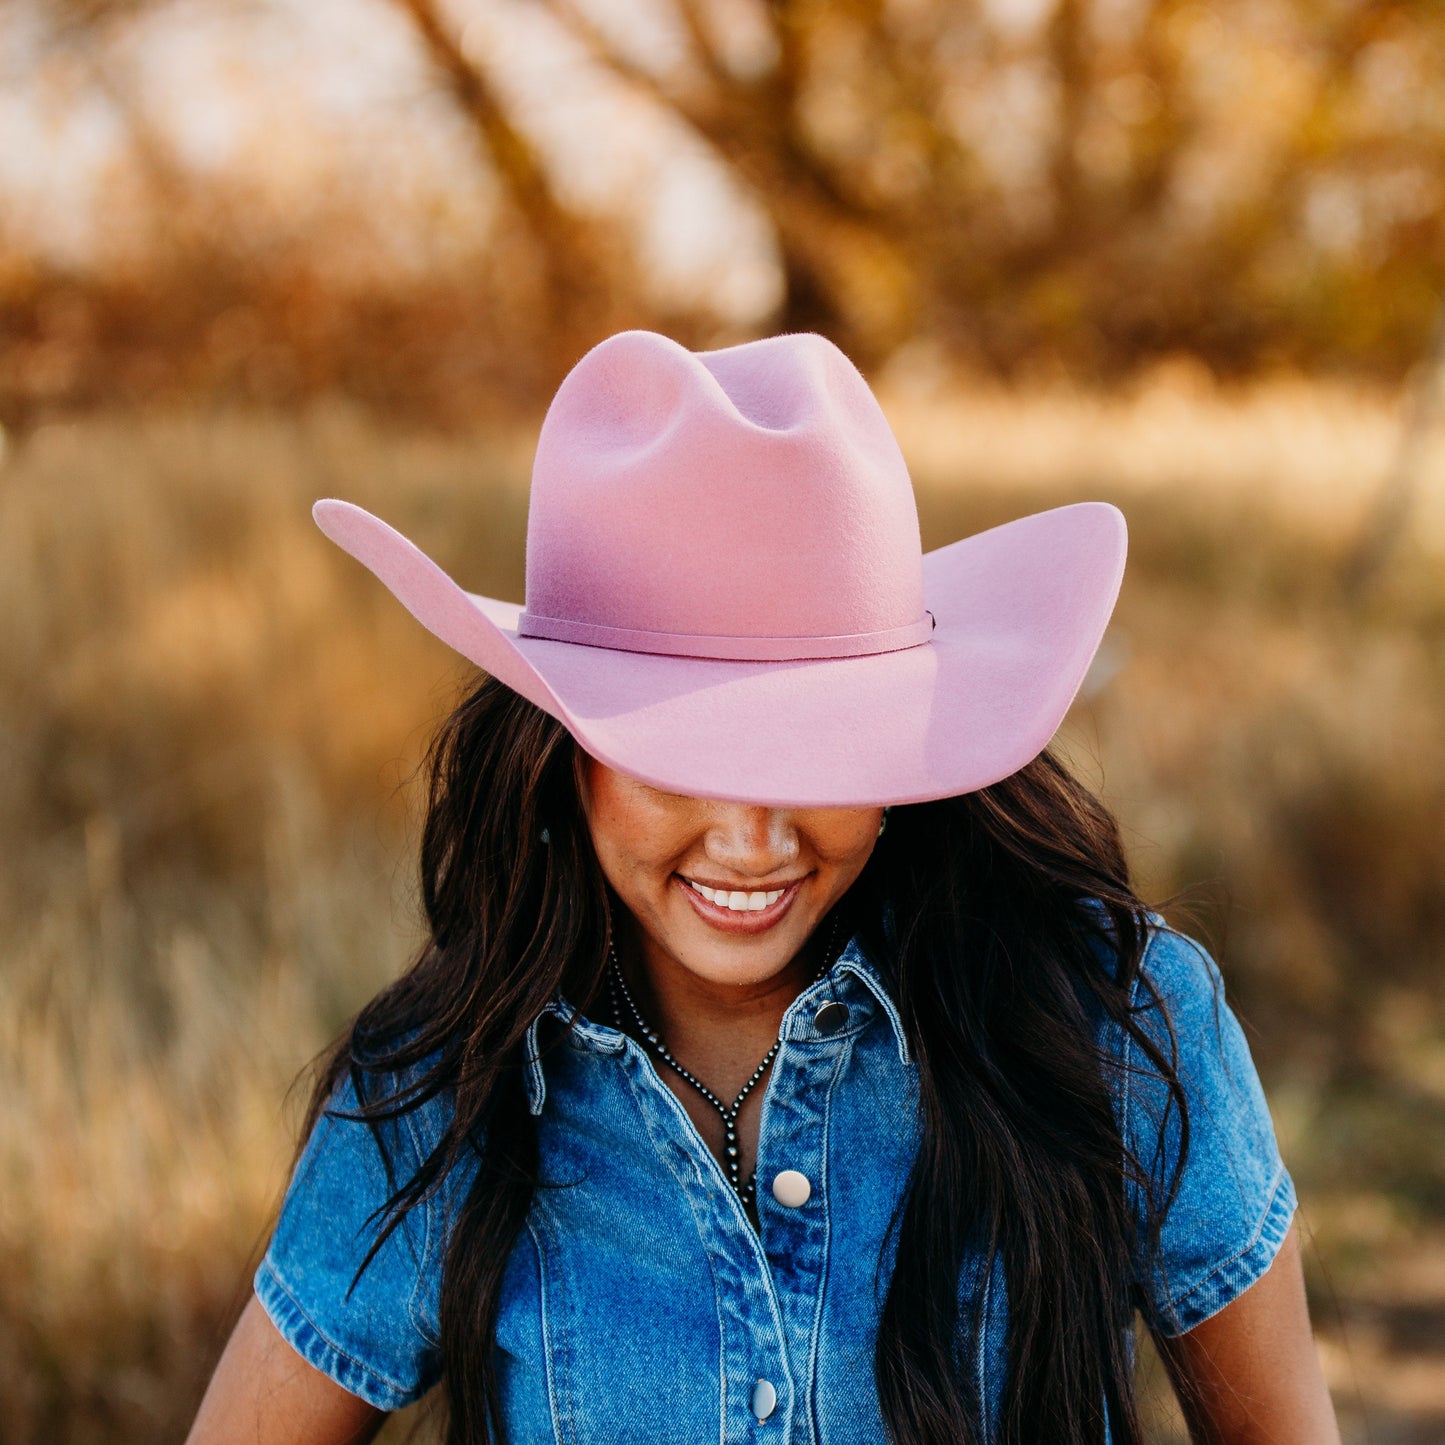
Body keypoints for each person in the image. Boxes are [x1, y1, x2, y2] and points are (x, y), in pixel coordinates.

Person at [186, 330, 1340, 1445]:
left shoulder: (1115, 1019)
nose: (751, 837)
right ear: (559, 750)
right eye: (677, 751)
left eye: (818, 745)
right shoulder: (442, 1094)